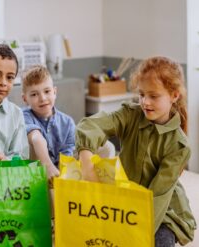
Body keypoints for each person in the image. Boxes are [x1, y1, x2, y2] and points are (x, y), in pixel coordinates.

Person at [75, 56, 196, 246]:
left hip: (162, 212)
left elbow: (156, 199)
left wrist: (131, 232)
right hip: (125, 200)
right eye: (141, 94)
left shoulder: (178, 146)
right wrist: (86, 157)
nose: (145, 102)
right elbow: (91, 124)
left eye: (153, 96)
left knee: (158, 241)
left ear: (174, 96)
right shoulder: (131, 115)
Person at [21, 65, 75, 181]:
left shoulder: (68, 123)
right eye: (34, 94)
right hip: (34, 173)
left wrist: (61, 177)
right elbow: (35, 138)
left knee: (107, 147)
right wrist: (48, 166)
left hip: (58, 173)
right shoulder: (23, 116)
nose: (42, 98)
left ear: (54, 92)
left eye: (47, 91)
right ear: (25, 99)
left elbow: (67, 154)